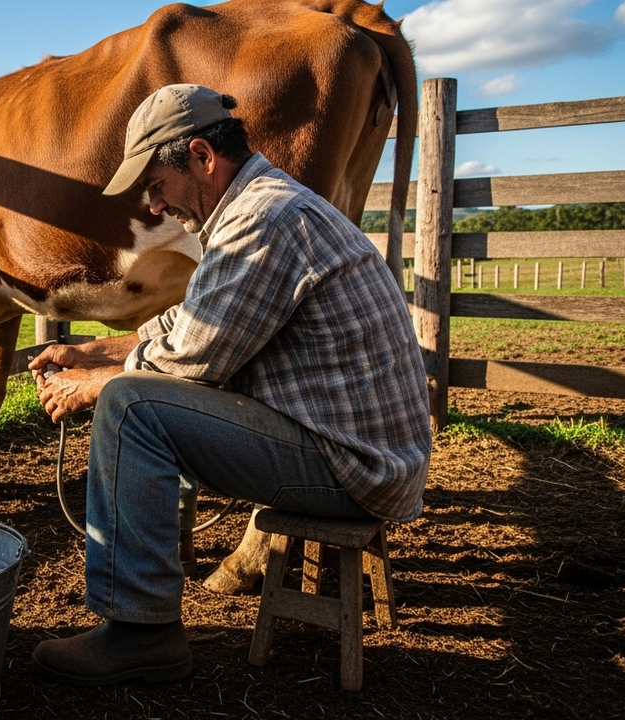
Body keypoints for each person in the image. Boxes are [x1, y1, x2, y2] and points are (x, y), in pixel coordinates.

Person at [27, 84, 431, 686]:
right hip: (360, 450)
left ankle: (142, 634)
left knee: (130, 407)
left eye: (158, 187)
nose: (157, 208)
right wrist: (87, 348)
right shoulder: (262, 207)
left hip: (352, 467)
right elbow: (188, 325)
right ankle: (148, 599)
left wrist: (93, 384)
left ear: (200, 156)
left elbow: (192, 358)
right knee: (131, 388)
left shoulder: (263, 219)